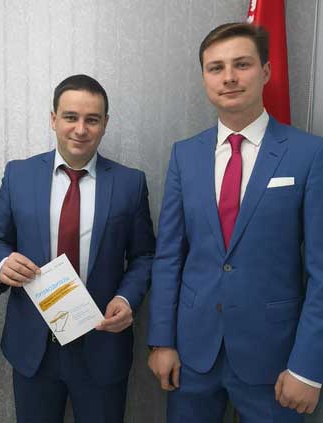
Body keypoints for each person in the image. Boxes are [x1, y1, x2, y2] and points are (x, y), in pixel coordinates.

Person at [147, 22, 323, 422]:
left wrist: (308, 366)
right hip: (192, 355)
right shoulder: (185, 155)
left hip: (276, 360)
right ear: (205, 78)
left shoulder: (310, 154)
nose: (228, 77)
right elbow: (169, 256)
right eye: (216, 67)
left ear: (266, 71)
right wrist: (161, 341)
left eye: (241, 64)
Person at [0, 74, 155, 423]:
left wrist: (126, 299)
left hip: (102, 343)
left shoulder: (130, 183)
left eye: (92, 119)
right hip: (34, 346)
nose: (80, 129)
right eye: (70, 117)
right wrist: (2, 264)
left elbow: (144, 256)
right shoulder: (19, 175)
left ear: (105, 124)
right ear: (53, 119)